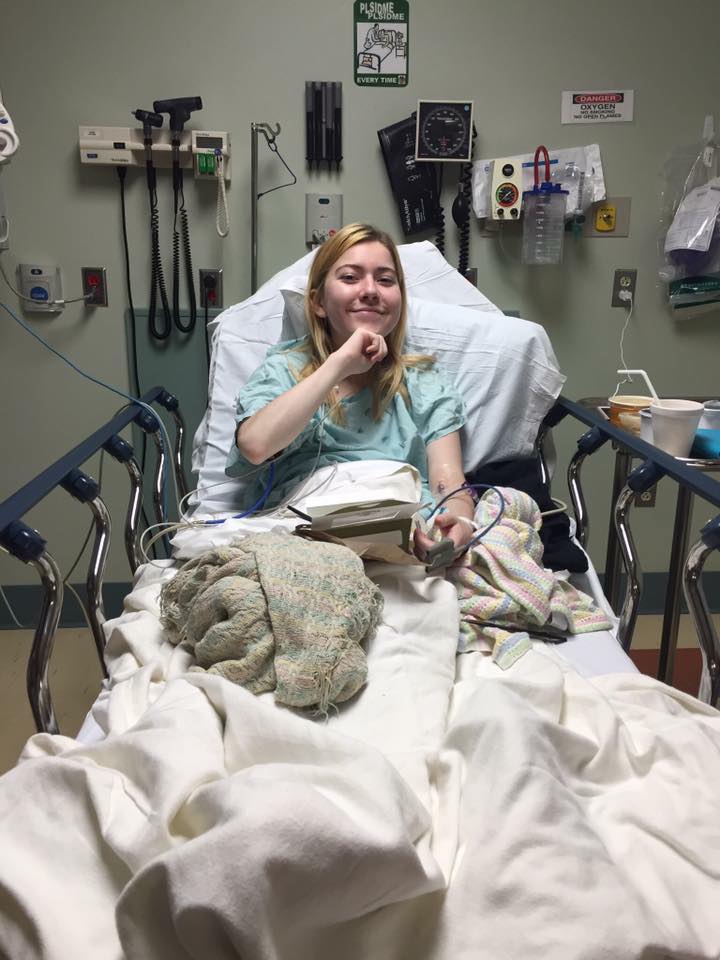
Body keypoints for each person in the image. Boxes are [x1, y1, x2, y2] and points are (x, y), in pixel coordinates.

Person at [227, 223, 476, 561]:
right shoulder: (284, 370)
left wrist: (460, 521)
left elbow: (449, 481)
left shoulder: (422, 381)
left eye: (385, 280)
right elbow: (256, 446)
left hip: (399, 532)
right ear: (317, 302)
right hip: (306, 533)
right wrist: (339, 364)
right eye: (350, 277)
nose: (371, 290)